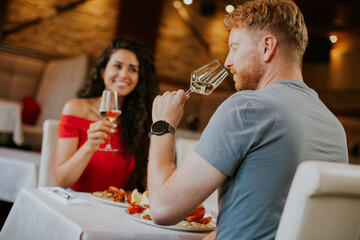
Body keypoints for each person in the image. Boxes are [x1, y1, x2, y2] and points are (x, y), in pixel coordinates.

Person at [147, 0, 348, 239]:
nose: (228, 61)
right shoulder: (336, 129)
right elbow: (264, 223)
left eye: (234, 47)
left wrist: (163, 125)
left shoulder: (245, 107)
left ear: (267, 47)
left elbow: (162, 208)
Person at [54, 36, 159, 193]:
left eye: (132, 69)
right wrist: (89, 146)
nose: (124, 75)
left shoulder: (141, 120)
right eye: (117, 66)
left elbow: (147, 181)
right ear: (103, 72)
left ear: (139, 78)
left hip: (117, 208)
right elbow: (60, 181)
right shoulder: (75, 109)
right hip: (77, 204)